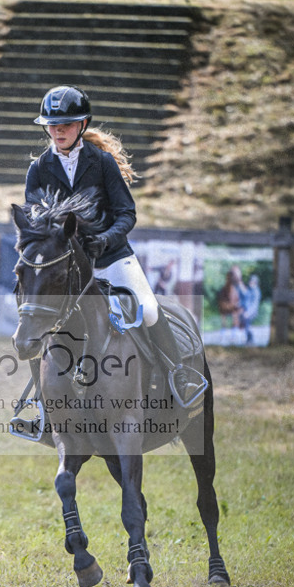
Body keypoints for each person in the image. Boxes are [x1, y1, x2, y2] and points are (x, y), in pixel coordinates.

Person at [24, 84, 207, 409]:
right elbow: (34, 221)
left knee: (149, 309)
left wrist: (106, 238)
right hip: (66, 268)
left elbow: (126, 214)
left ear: (82, 125)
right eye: (52, 125)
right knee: (36, 319)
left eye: (66, 124)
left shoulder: (102, 162)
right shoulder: (38, 169)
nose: (58, 130)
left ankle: (179, 377)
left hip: (111, 257)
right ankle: (40, 403)